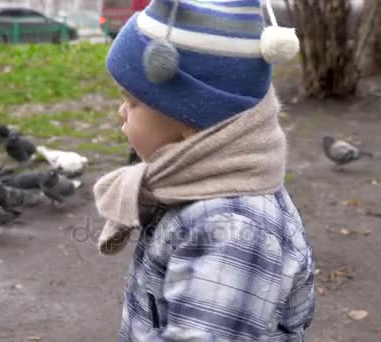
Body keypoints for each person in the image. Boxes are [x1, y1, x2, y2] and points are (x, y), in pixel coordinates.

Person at [93, 0, 314, 340]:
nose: (121, 111)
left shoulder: (233, 230)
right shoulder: (198, 181)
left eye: (132, 101)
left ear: (189, 120)